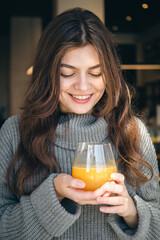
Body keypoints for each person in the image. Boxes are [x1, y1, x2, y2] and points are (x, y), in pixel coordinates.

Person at [0, 8, 160, 240]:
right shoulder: (15, 133)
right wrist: (53, 193)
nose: (83, 86)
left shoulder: (131, 131)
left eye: (96, 73)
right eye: (67, 74)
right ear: (48, 73)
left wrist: (132, 210)